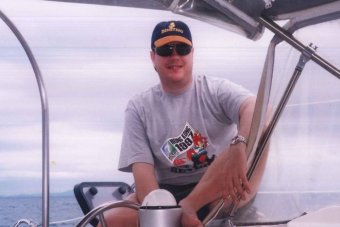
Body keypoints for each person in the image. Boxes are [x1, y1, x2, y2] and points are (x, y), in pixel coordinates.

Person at [100, 20, 269, 227]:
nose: (174, 56)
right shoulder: (138, 107)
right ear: (153, 57)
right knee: (110, 219)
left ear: (192, 54)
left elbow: (258, 108)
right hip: (166, 192)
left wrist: (239, 143)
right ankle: (184, 210)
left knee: (262, 124)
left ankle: (191, 205)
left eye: (182, 48)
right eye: (165, 50)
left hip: (219, 189)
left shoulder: (216, 90)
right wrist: (163, 213)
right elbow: (144, 179)